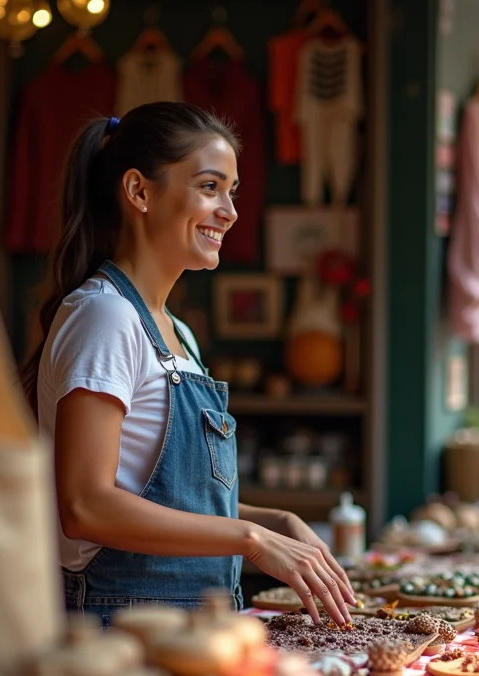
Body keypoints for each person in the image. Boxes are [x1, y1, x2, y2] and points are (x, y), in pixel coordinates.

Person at [19, 102, 355, 626]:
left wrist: (278, 522)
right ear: (139, 192)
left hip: (197, 628)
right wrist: (250, 539)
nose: (230, 211)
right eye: (209, 187)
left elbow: (173, 505)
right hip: (122, 633)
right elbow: (85, 505)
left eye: (232, 191)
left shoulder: (179, 333)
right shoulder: (104, 316)